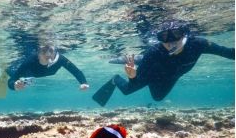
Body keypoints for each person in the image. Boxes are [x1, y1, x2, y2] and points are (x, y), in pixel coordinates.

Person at [93, 20, 235, 106]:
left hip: (170, 76)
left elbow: (229, 53)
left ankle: (139, 58)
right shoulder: (153, 53)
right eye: (164, 37)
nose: (170, 41)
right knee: (127, 90)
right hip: (150, 72)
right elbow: (135, 84)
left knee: (158, 98)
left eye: (176, 34)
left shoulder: (198, 44)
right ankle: (115, 78)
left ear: (185, 34)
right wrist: (132, 76)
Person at [5, 31, 89, 91]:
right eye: (44, 50)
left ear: (55, 50)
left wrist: (83, 83)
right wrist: (14, 85)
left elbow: (76, 71)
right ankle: (6, 69)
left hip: (41, 72)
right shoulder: (30, 60)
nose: (48, 54)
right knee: (17, 73)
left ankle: (26, 79)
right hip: (31, 72)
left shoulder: (60, 59)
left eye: (51, 51)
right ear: (38, 52)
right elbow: (12, 80)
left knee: (28, 79)